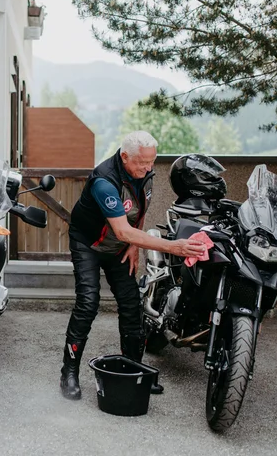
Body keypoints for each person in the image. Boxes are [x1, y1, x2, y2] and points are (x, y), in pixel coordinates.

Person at [59, 131, 207, 400]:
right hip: (88, 245)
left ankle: (136, 371)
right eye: (142, 162)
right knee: (88, 303)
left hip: (119, 246)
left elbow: (138, 211)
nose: (148, 168)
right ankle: (68, 372)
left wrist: (135, 246)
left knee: (132, 305)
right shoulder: (104, 181)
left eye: (152, 162)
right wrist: (175, 247)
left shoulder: (143, 172)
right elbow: (123, 229)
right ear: (124, 156)